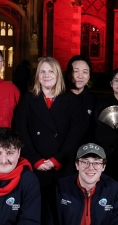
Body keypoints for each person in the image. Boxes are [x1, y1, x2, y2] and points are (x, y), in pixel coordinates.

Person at [14, 57, 85, 201]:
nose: (46, 76)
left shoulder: (71, 100)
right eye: (42, 72)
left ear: (58, 75)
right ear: (37, 76)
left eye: (51, 71)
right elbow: (20, 131)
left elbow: (75, 134)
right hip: (35, 165)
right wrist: (35, 159)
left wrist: (57, 159)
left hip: (62, 165)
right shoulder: (27, 99)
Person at [65, 55, 98, 145]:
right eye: (76, 71)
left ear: (89, 75)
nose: (80, 76)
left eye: (85, 72)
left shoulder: (94, 100)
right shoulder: (59, 98)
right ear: (68, 74)